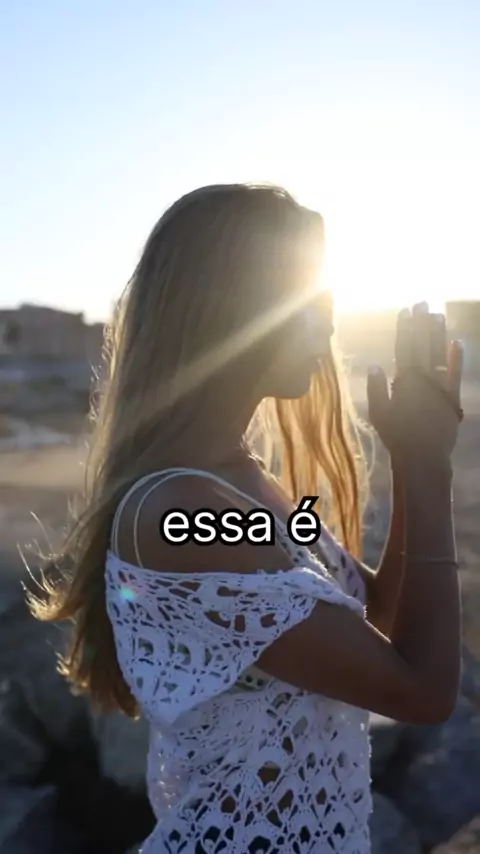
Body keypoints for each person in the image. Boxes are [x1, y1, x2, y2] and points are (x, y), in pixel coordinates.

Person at [29, 183, 464, 854]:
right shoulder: (183, 512)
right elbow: (423, 692)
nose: (328, 328)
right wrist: (430, 466)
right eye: (308, 303)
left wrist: (411, 460)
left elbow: (374, 612)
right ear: (234, 310)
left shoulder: (242, 482)